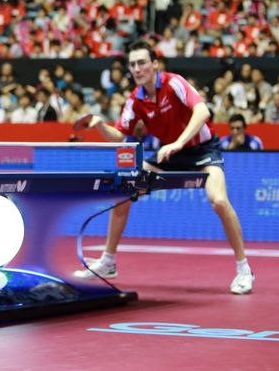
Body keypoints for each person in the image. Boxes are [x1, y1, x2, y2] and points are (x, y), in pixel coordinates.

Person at [72, 40, 254, 294]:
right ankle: (108, 262)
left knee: (219, 201)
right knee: (124, 191)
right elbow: (119, 136)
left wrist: (179, 142)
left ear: (154, 64)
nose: (137, 68)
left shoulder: (174, 82)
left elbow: (202, 112)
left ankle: (244, 269)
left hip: (202, 151)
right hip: (170, 154)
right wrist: (100, 123)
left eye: (142, 62)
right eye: (133, 64)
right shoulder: (135, 100)